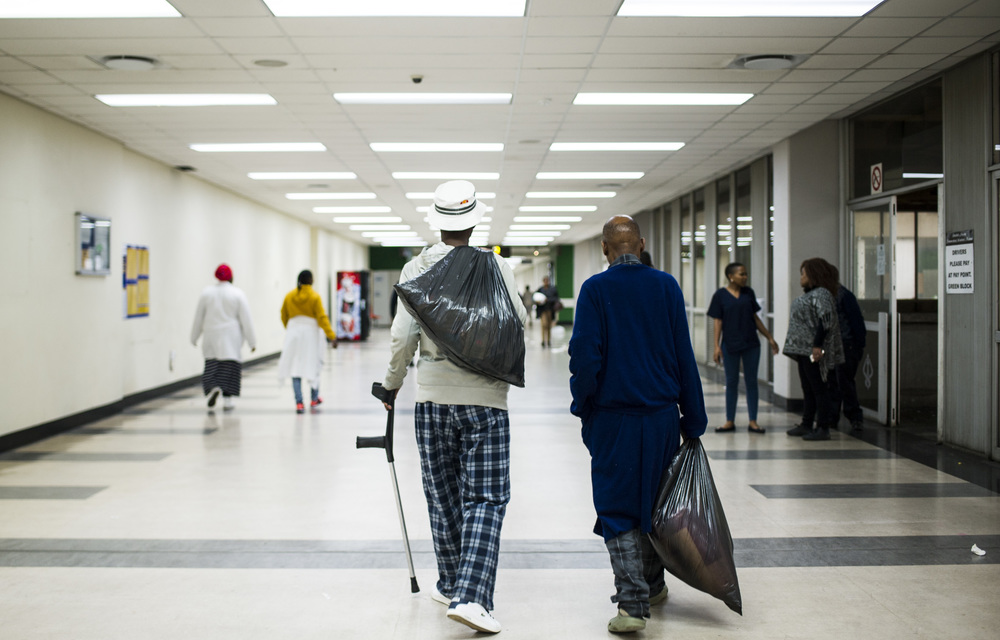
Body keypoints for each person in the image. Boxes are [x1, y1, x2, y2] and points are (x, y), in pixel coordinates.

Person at [381, 180, 527, 635]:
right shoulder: (495, 267)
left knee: (441, 494)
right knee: (485, 497)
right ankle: (472, 596)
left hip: (432, 399)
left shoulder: (415, 267)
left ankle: (450, 581)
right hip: (486, 400)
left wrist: (391, 386)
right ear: (474, 220)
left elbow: (404, 338)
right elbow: (518, 320)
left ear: (438, 220)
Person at [569, 215, 707, 634]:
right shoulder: (666, 286)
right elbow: (684, 355)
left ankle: (632, 604)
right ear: (642, 245)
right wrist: (693, 417)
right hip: (663, 418)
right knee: (654, 501)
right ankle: (653, 583)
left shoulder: (595, 289)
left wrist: (583, 406)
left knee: (617, 508)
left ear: (606, 250)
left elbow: (586, 357)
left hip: (615, 418)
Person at [707, 263, 780, 434]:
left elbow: (755, 318)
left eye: (746, 274)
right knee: (731, 382)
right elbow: (718, 321)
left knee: (751, 382)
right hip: (730, 344)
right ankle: (729, 421)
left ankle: (753, 421)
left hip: (751, 344)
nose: (745, 277)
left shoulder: (749, 293)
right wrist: (716, 346)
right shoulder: (720, 295)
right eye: (741, 274)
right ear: (731, 276)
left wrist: (769, 337)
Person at [783, 258, 845, 441]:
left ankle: (823, 427)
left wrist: (817, 346)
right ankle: (806, 423)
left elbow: (825, 321)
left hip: (813, 351)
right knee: (808, 388)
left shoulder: (822, 294)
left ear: (813, 275)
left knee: (819, 389)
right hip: (803, 351)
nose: (801, 277)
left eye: (803, 273)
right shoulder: (812, 294)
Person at [190, 264, 256, 411]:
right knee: (229, 368)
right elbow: (246, 319)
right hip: (231, 337)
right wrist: (252, 342)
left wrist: (194, 337)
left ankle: (213, 387)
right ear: (231, 277)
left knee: (212, 365)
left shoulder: (206, 293)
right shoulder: (237, 293)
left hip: (211, 336)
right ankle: (228, 400)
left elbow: (198, 318)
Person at [278, 269, 337, 414]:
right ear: (310, 280)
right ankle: (314, 398)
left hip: (294, 334)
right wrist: (331, 335)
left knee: (295, 368)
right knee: (314, 364)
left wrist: (291, 328)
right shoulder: (314, 297)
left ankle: (299, 403)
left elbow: (283, 314)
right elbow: (322, 318)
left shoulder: (289, 296)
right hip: (311, 335)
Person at [834, 279, 866, 432]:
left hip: (847, 345)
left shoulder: (843, 296)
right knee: (836, 382)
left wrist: (858, 345)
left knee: (844, 381)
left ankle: (854, 416)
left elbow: (856, 322)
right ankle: (833, 417)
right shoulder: (830, 296)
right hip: (837, 345)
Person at [535, 276, 560, 347]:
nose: (546, 282)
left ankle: (548, 340)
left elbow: (556, 298)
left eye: (547, 280)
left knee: (549, 326)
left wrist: (547, 300)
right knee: (544, 325)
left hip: (550, 310)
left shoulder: (553, 289)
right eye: (545, 281)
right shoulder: (540, 289)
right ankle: (543, 340)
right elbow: (535, 298)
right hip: (542, 310)